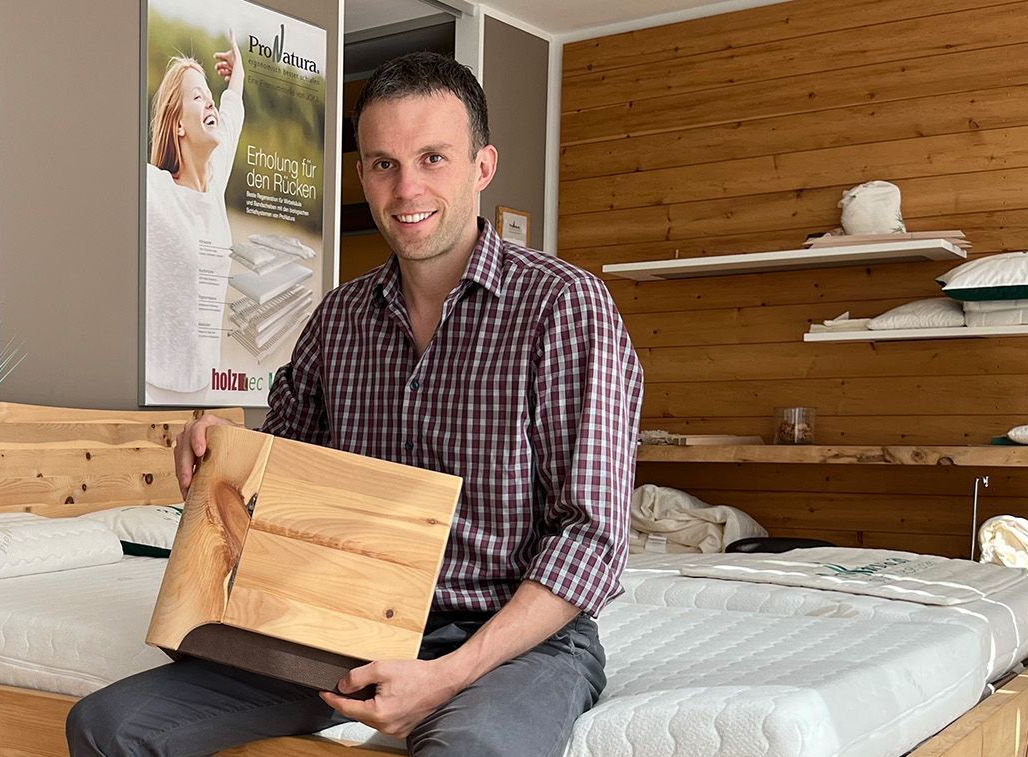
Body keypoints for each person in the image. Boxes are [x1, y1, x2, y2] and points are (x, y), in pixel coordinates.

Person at [70, 51, 644, 756]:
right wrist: (226, 438)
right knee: (107, 726)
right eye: (382, 163)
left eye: (432, 158)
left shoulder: (564, 305)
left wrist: (446, 674)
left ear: (482, 167)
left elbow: (591, 538)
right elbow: (284, 481)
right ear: (363, 174)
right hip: (340, 619)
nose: (406, 188)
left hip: (509, 637)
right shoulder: (337, 319)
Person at [144, 40, 244, 394]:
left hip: (205, 392)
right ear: (179, 125)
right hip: (155, 393)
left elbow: (232, 116)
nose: (210, 101)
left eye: (209, 94)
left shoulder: (214, 187)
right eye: (198, 97)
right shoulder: (154, 190)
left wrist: (238, 77)